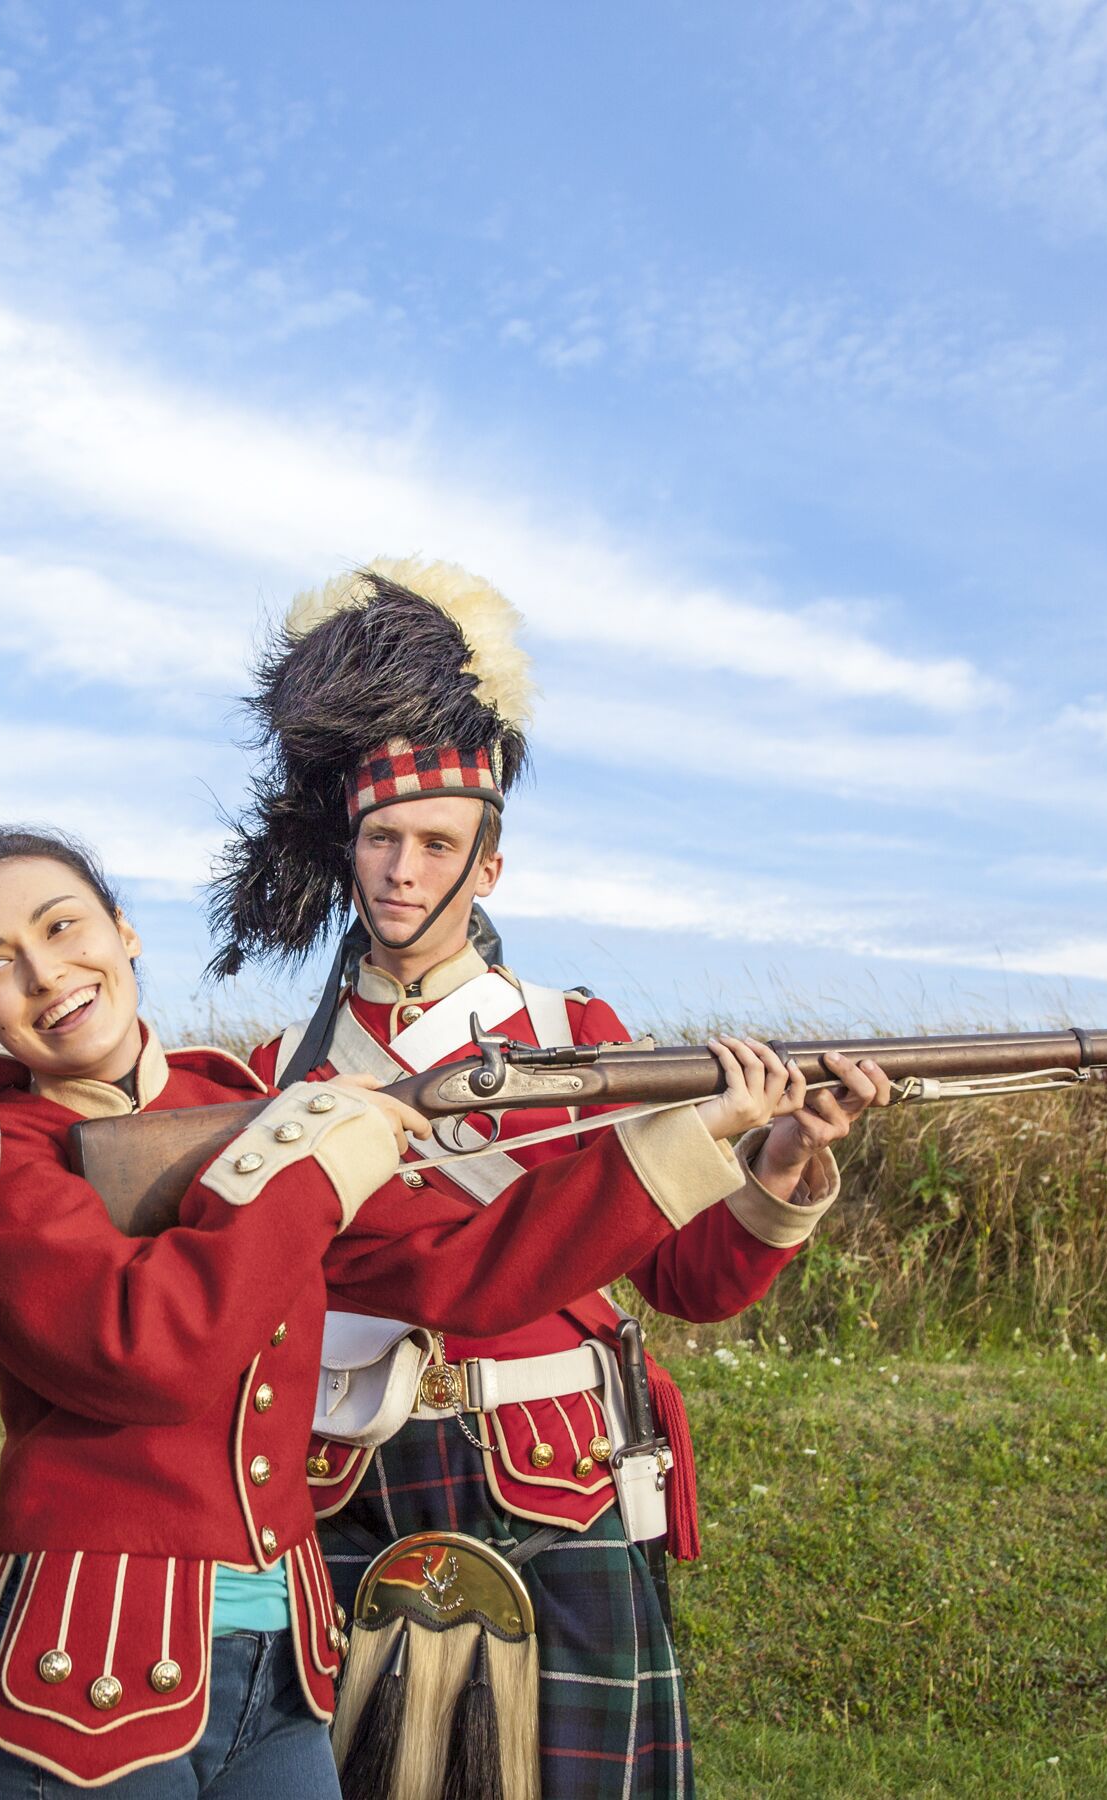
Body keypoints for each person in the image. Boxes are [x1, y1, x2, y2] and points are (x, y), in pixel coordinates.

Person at [0, 825, 796, 1798]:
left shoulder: (253, 1096)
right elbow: (150, 1349)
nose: (45, 973)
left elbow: (462, 1268)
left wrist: (705, 1129)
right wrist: (319, 1169)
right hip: (93, 1662)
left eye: (62, 925)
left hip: (287, 1657)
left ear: (124, 930)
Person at [211, 560, 892, 1800]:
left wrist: (784, 1161)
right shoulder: (276, 1071)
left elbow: (685, 1278)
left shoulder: (579, 1029)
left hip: (551, 1464)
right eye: (382, 839)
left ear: (490, 867)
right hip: (350, 1469)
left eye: (436, 844)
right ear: (347, 848)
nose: (404, 871)